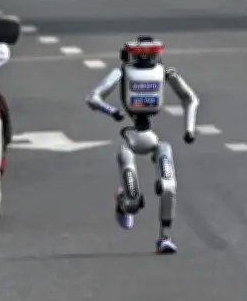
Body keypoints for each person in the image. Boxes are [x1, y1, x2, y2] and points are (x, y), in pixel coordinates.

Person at [85, 36, 199, 255]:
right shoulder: (121, 72)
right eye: (141, 56)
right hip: (131, 138)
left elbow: (190, 98)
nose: (146, 59)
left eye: (151, 55)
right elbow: (93, 97)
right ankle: (123, 202)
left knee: (168, 185)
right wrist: (112, 111)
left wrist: (189, 128)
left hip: (152, 138)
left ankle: (165, 238)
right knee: (133, 199)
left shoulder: (166, 72)